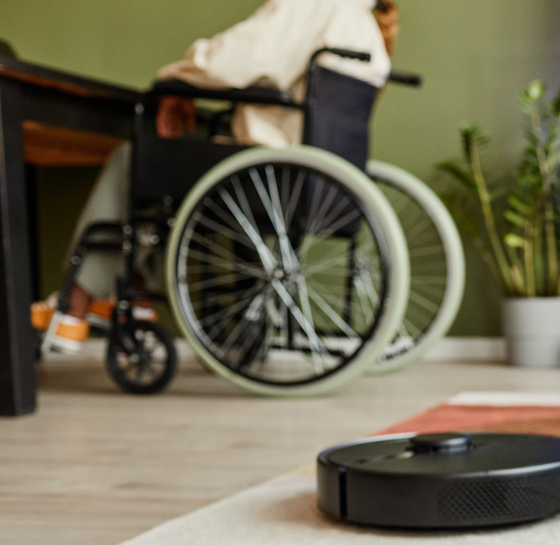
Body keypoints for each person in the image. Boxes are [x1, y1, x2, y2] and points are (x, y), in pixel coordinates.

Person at [33, 0, 398, 353]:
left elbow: (230, 62)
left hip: (268, 175)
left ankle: (73, 308)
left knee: (134, 159)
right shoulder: (362, 21)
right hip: (312, 182)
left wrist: (175, 79)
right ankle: (131, 296)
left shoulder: (312, 4)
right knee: (167, 171)